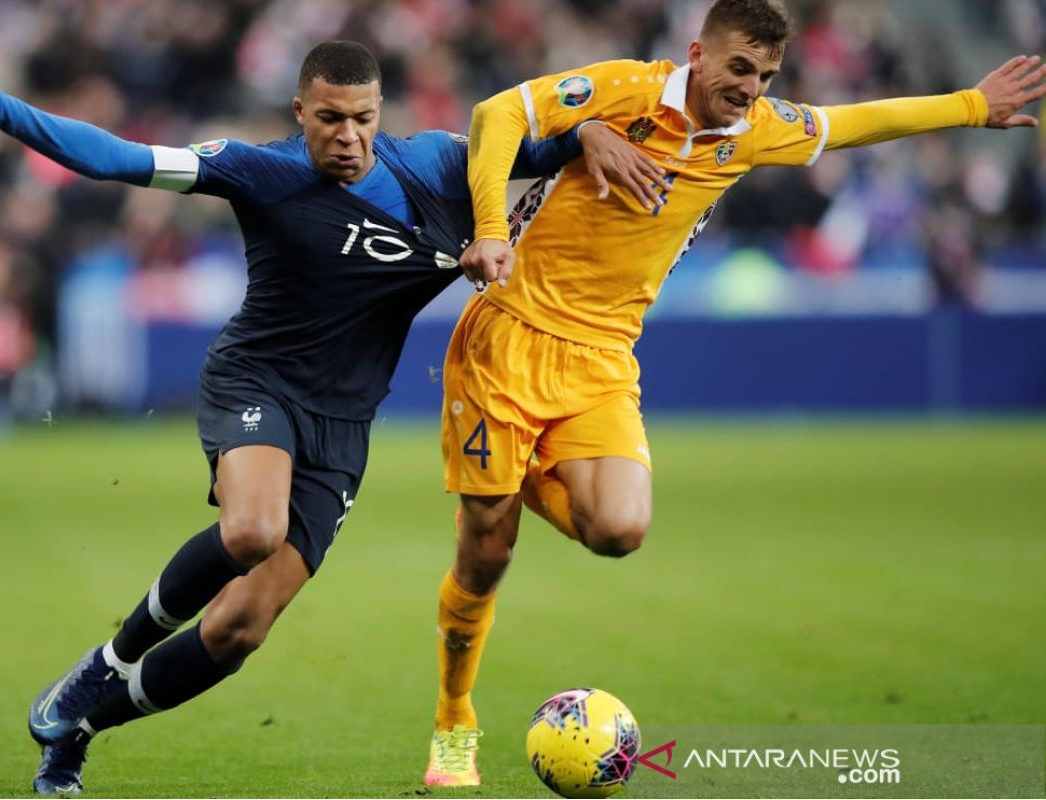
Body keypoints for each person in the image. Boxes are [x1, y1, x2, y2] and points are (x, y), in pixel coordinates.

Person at [0, 40, 663, 796]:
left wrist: (589, 131)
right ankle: (108, 660)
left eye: (363, 118)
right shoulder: (261, 170)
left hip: (343, 423)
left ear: (380, 113)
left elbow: (538, 138)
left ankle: (79, 733)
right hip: (256, 381)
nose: (348, 136)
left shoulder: (437, 166)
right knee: (252, 529)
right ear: (300, 112)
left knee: (239, 631)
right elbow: (115, 158)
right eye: (329, 118)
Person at [423, 0, 1046, 786]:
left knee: (619, 529)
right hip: (506, 339)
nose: (750, 87)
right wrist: (488, 228)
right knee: (487, 552)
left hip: (603, 359)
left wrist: (971, 106)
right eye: (739, 69)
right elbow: (496, 113)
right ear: (697, 54)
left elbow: (853, 120)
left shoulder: (756, 131)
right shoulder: (625, 89)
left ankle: (506, 483)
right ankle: (454, 722)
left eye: (765, 75)